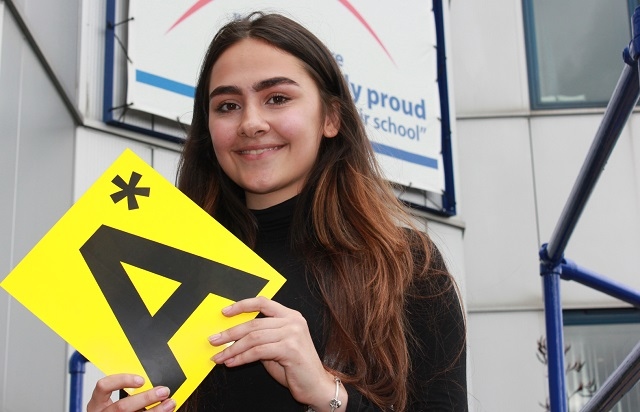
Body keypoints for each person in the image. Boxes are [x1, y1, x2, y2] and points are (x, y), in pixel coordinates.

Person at [87, 12, 467, 412]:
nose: (251, 123)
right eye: (228, 105)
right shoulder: (155, 266)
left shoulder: (406, 265)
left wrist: (328, 394)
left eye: (277, 99)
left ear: (331, 118)